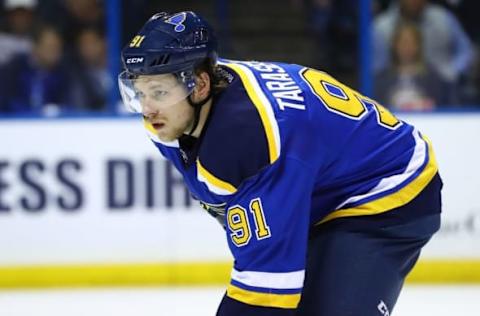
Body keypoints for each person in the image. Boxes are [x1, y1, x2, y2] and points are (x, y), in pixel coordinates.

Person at [119, 11, 442, 315]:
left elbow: (266, 290)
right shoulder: (181, 110)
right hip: (323, 184)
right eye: (139, 92)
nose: (147, 108)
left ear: (200, 85)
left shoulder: (247, 138)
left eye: (158, 92)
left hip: (388, 189)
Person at [374, 0, 474, 86]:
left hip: (442, 88)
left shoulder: (443, 18)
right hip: (393, 89)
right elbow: (375, 68)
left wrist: (452, 72)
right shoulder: (381, 27)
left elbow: (466, 51)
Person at [375, 22, 456, 110]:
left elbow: (439, 105)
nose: (406, 47)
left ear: (418, 45)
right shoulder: (382, 78)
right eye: (403, 42)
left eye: (411, 43)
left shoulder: (432, 77)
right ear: (394, 45)